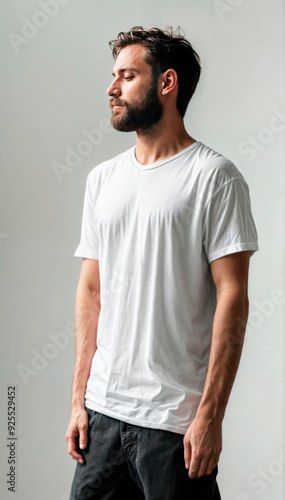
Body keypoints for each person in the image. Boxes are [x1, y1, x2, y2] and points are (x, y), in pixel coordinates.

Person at [65, 26, 259, 500]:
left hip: (173, 426)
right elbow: (91, 292)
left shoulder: (215, 178)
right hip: (102, 417)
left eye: (127, 76)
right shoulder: (102, 180)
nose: (112, 89)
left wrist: (211, 415)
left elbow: (232, 297)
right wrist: (78, 400)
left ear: (166, 83)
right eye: (114, 77)